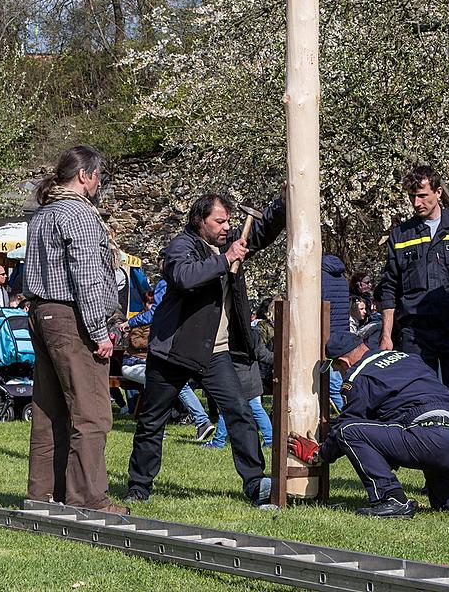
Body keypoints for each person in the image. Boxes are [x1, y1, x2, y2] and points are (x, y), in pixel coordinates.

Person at [125, 192, 286, 506]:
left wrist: (283, 200)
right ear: (200, 221)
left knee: (239, 412)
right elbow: (185, 277)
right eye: (220, 221)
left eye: (229, 220)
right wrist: (225, 260)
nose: (227, 227)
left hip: (216, 351)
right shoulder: (180, 247)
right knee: (152, 420)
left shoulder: (229, 244)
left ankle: (256, 484)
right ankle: (139, 487)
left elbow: (263, 229)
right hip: (173, 349)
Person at [287, 332, 449, 519]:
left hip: (432, 436)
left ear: (342, 361)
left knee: (349, 432)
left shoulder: (358, 377)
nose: (340, 373)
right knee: (446, 500)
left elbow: (347, 424)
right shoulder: (406, 358)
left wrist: (320, 454)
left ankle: (391, 499)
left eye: (337, 369)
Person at [23, 145, 127, 514]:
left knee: (50, 411)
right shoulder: (79, 215)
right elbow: (86, 276)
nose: (99, 184)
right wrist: (100, 330)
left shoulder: (43, 214)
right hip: (71, 317)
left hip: (41, 313)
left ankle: (42, 494)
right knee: (92, 412)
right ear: (85, 176)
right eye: (98, 176)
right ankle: (88, 498)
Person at [375, 166, 449, 418]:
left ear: (438, 192)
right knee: (418, 397)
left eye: (423, 195)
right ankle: (423, 451)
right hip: (416, 333)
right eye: (412, 196)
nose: (416, 202)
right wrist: (386, 336)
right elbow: (390, 287)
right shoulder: (401, 235)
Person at [122, 254, 216, 442]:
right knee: (172, 383)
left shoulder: (167, 282)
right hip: (171, 346)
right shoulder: (192, 281)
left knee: (167, 383)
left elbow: (155, 314)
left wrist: (130, 323)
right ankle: (199, 421)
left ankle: (187, 422)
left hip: (164, 347)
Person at [322, 254, 351, 412]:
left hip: (326, 335)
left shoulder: (317, 278)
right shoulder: (342, 279)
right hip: (341, 334)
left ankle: (348, 415)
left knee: (333, 386)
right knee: (340, 380)